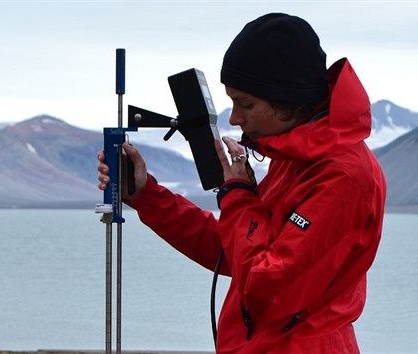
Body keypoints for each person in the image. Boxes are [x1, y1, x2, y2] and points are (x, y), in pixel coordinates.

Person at [97, 13, 386, 354]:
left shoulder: (342, 176)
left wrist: (238, 194)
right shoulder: (295, 159)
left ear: (287, 103)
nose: (234, 118)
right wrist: (147, 197)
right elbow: (234, 250)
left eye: (245, 104)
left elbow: (268, 290)